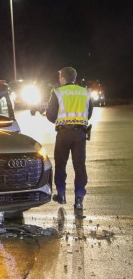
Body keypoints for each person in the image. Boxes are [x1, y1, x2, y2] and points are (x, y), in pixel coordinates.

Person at [46, 66, 93, 210]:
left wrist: (61, 120)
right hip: (80, 134)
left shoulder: (57, 92)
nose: (59, 79)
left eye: (59, 77)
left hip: (64, 133)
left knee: (60, 164)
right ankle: (79, 198)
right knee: (80, 166)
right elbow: (89, 113)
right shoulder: (85, 92)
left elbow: (51, 115)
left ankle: (61, 194)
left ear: (63, 78)